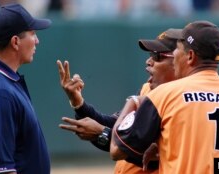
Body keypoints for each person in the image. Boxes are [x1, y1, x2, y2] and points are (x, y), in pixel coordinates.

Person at [110, 20, 219, 174]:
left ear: (190, 56)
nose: (176, 55)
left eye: (178, 50)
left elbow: (117, 150)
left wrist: (133, 101)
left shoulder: (164, 94)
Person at [57, 28, 178, 173]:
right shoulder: (148, 89)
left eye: (157, 56)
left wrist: (102, 133)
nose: (149, 61)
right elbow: (117, 127)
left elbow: (154, 157)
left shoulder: (182, 102)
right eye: (150, 54)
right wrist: (79, 103)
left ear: (180, 60)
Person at [0, 3, 51, 174]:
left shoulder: (2, 81)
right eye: (32, 34)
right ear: (15, 41)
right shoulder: (1, 92)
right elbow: (1, 170)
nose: (37, 41)